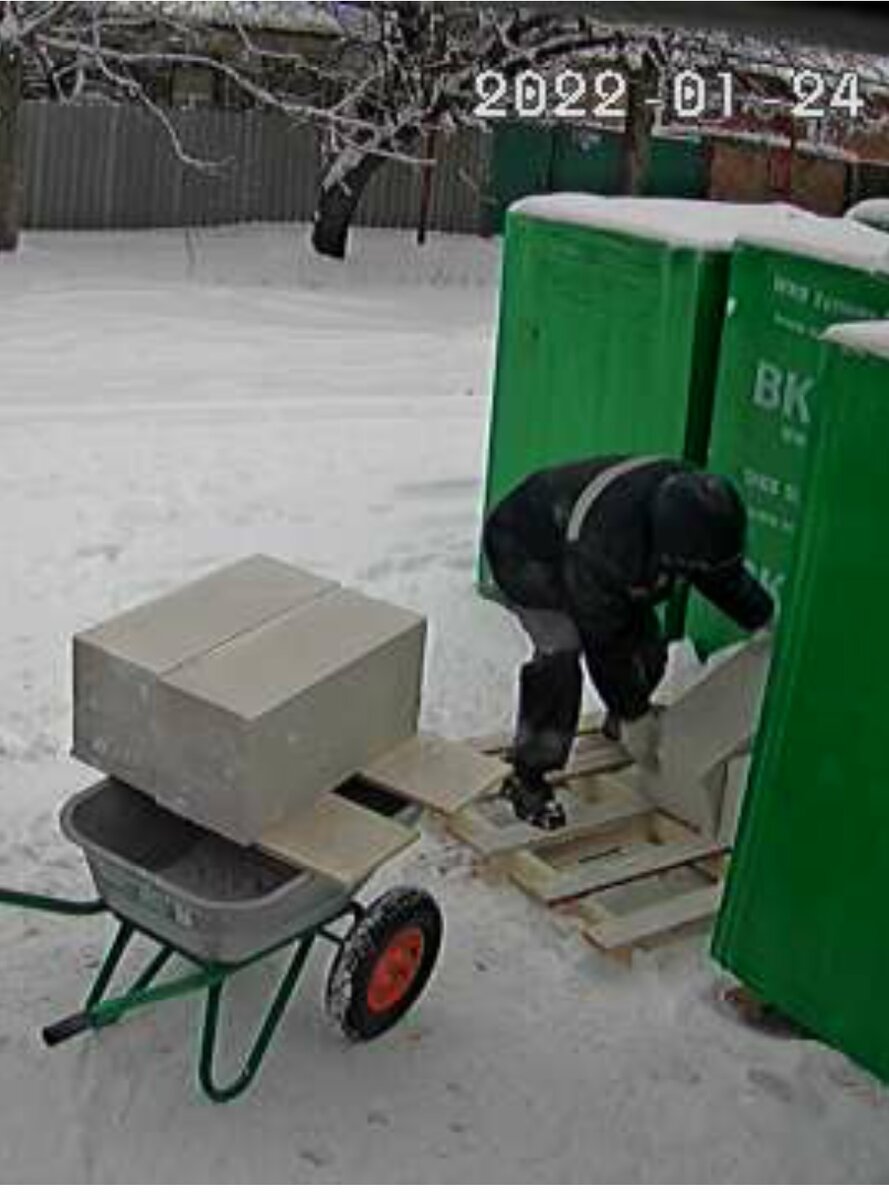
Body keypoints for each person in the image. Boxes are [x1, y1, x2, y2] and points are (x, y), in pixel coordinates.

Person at [483, 454, 774, 829]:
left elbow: (717, 572)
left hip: (587, 545)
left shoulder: (694, 508)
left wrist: (761, 618)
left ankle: (618, 718)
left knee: (647, 647)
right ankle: (528, 776)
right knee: (561, 652)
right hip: (525, 548)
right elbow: (601, 638)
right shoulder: (606, 547)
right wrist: (633, 713)